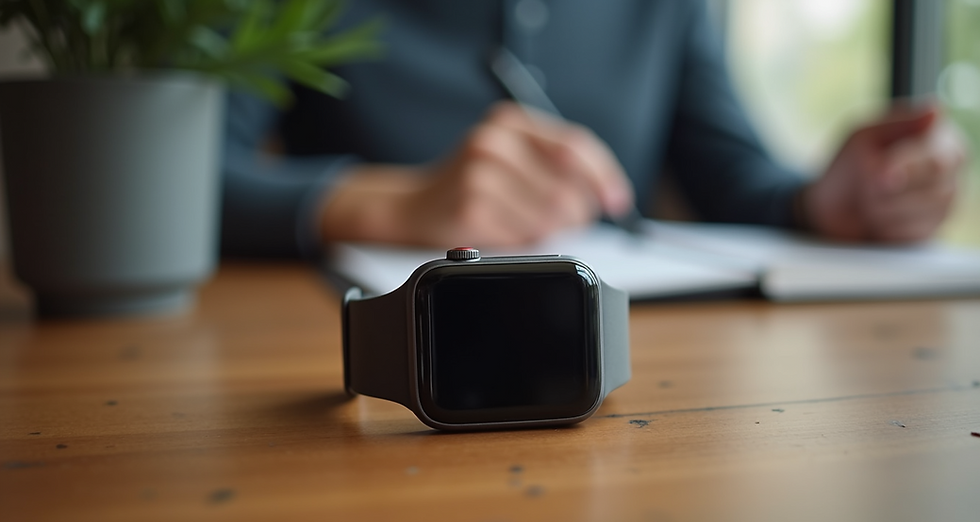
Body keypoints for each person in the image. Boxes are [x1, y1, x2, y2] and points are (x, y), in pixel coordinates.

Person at [220, 0, 966, 259]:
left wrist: (823, 203)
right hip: (343, 365)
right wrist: (386, 205)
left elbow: (731, 175)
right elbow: (172, 184)